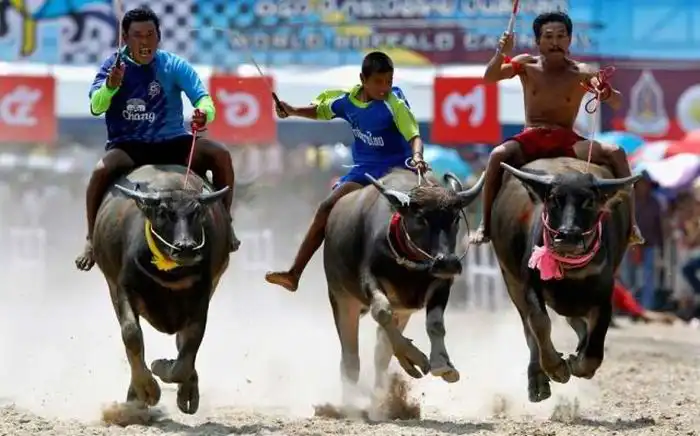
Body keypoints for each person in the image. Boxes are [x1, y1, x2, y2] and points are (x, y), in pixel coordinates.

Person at [74, 6, 239, 272]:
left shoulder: (173, 65)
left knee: (220, 155)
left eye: (150, 34)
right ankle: (91, 239)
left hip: (173, 143)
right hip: (130, 146)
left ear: (159, 37)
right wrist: (110, 87)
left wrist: (203, 114)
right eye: (138, 35)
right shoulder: (112, 67)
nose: (145, 42)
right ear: (125, 39)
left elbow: (204, 99)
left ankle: (227, 223)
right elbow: (96, 106)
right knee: (100, 171)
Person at [470, 11, 644, 246]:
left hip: (567, 139)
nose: (555, 42)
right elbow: (490, 77)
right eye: (549, 36)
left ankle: (632, 225)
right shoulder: (525, 64)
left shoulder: (582, 71)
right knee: (497, 155)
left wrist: (606, 92)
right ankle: (486, 225)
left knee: (616, 153)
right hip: (531, 137)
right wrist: (502, 52)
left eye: (561, 36)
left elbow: (617, 101)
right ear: (537, 41)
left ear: (569, 40)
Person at [264, 51, 428, 292]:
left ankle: (433, 269)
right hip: (364, 171)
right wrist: (292, 110)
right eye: (378, 82)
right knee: (326, 207)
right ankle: (294, 273)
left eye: (389, 81)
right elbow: (322, 111)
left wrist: (418, 156)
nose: (384, 88)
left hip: (397, 170)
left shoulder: (395, 104)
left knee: (430, 211)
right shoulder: (347, 102)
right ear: (363, 79)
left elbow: (414, 136)